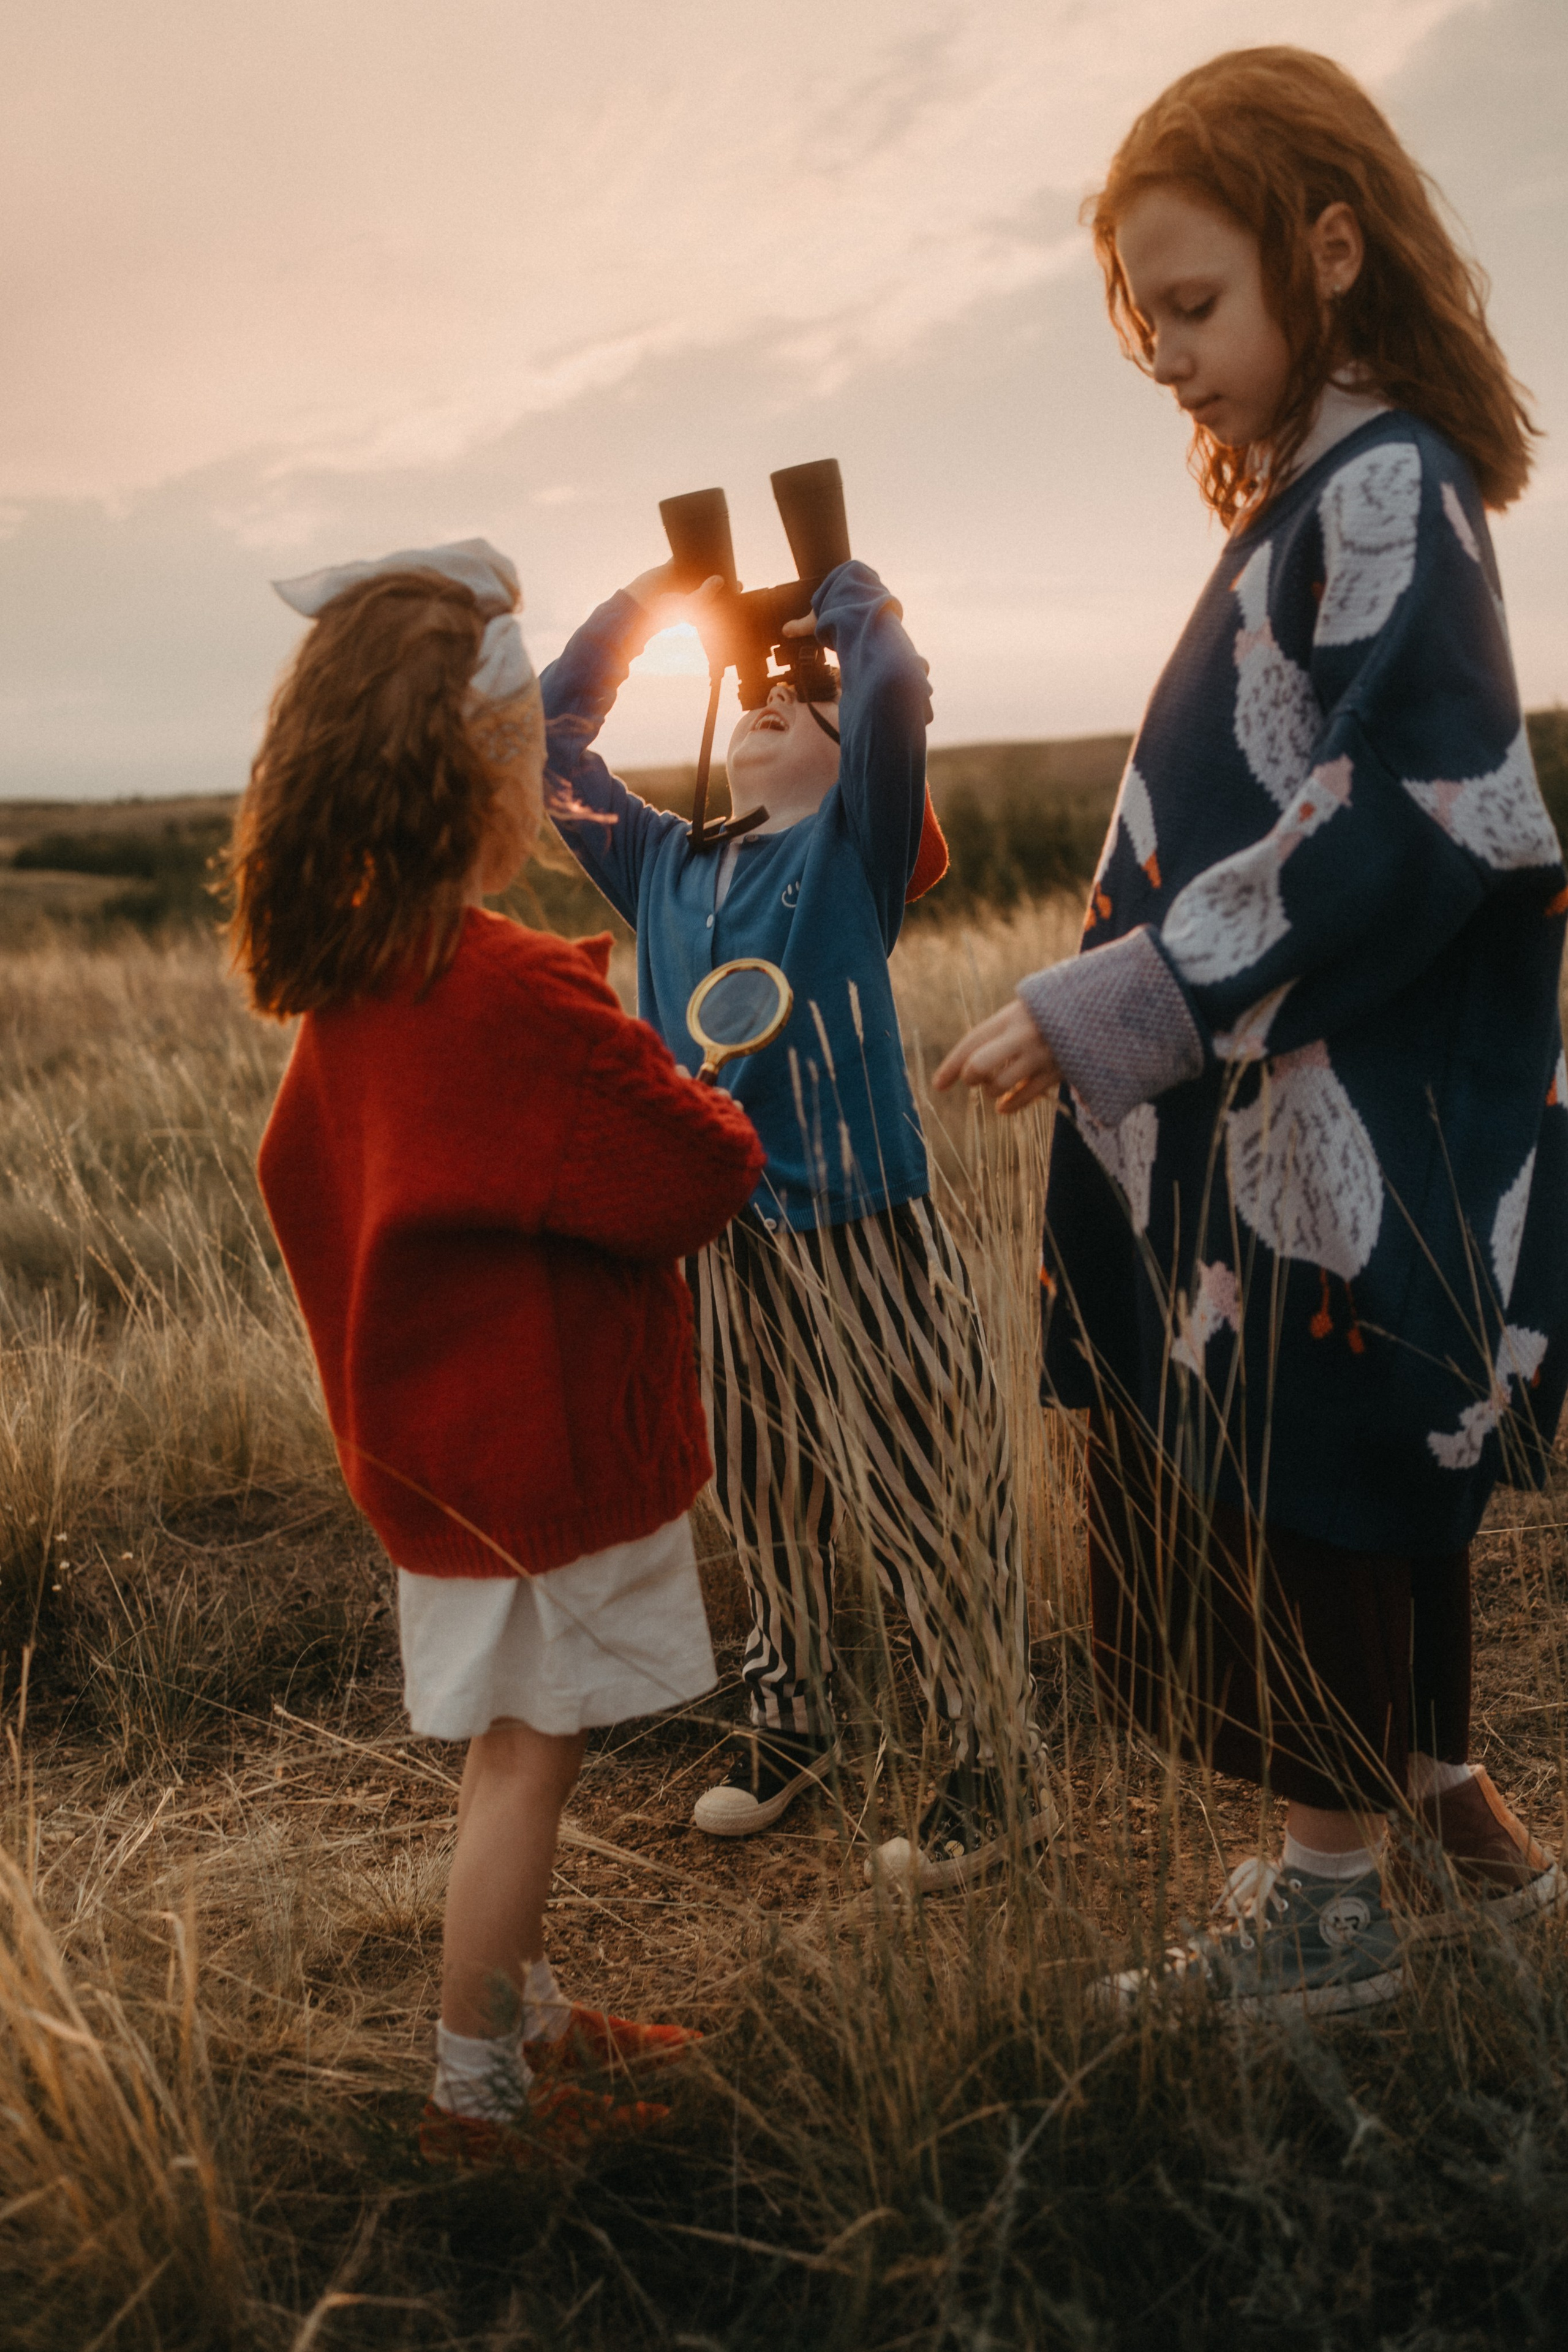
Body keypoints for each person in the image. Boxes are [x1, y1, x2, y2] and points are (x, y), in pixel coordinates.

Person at [937, 47, 1567, 2013]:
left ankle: (1327, 1913)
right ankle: (1450, 1813)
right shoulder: (1334, 485)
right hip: (1307, 1103)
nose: (1177, 363)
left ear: (1334, 248)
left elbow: (1416, 810)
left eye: (1196, 307)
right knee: (1397, 1456)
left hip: (1341, 1108)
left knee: (1321, 1470)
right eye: (1152, 331)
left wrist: (1121, 994)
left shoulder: (1386, 485)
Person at [230, 539, 764, 2160]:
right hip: (536, 1457)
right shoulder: (505, 993)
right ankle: (479, 2091)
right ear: (481, 773)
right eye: (535, 751)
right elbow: (696, 1174)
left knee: (518, 1749)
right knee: (532, 1762)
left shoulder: (359, 985)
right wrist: (684, 1080)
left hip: (445, 1459)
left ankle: (518, 2007)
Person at [541, 554, 1050, 1888]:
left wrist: (839, 597)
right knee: (764, 1489)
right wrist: (651, 607)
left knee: (919, 1487)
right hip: (720, 1231)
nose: (771, 702)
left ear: (847, 762)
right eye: (756, 696)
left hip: (855, 1223)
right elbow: (546, 740)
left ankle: (990, 1765)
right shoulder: (660, 860)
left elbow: (888, 696)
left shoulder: (849, 849)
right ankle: (793, 1717)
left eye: (800, 707)